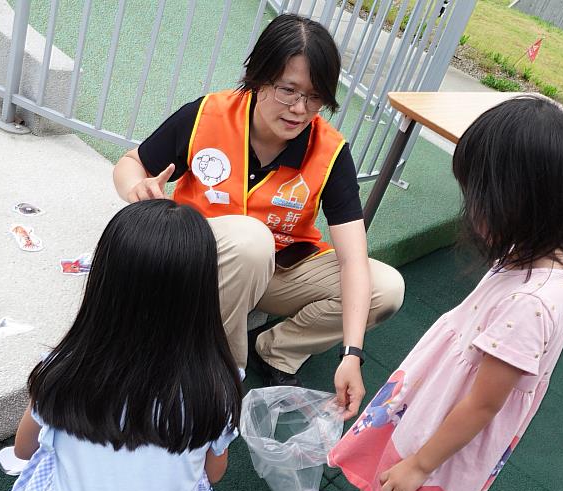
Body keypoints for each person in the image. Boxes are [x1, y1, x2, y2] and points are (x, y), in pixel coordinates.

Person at [268, 96, 563, 491]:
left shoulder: (535, 302)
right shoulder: (537, 252)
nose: (471, 209)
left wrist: (421, 465)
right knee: (386, 471)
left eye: (478, 198)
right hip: (437, 401)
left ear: (521, 202)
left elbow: (484, 405)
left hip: (449, 431)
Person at [113, 14, 405, 420]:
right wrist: (136, 188)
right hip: (201, 258)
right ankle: (220, 370)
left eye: (315, 97)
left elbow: (353, 259)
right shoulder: (208, 115)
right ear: (258, 76)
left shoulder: (330, 150)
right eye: (289, 90)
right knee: (251, 241)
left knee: (386, 287)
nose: (300, 109)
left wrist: (352, 353)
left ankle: (277, 349)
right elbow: (132, 163)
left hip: (278, 269)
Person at [0, 200, 241, 491]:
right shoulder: (218, 385)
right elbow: (213, 474)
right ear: (201, 293)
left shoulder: (62, 371)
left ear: (103, 283)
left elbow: (24, 449)